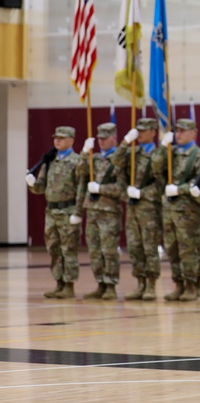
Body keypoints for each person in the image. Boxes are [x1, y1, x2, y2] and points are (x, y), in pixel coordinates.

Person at [27, 126, 85, 299]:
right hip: (51, 211)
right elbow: (40, 188)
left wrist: (78, 211)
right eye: (56, 138)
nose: (57, 141)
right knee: (54, 249)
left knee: (69, 249)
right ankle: (59, 283)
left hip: (68, 211)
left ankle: (69, 285)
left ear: (71, 140)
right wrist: (31, 182)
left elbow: (82, 189)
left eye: (61, 138)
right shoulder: (49, 161)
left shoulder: (77, 161)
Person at [112, 117, 164, 301]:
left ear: (153, 132)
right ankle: (140, 284)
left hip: (149, 207)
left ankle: (151, 285)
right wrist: (125, 142)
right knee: (134, 247)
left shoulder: (159, 155)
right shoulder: (132, 153)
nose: (140, 134)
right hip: (133, 208)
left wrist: (142, 194)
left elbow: (161, 184)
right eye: (138, 131)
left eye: (144, 130)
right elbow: (115, 162)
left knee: (149, 247)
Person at [160, 118, 200, 301]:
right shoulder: (170, 153)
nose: (178, 134)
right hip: (170, 210)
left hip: (189, 211)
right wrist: (163, 147)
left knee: (189, 249)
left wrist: (180, 189)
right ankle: (178, 284)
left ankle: (193, 285)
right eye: (176, 131)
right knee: (172, 249)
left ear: (193, 133)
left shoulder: (199, 155)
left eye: (182, 131)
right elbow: (155, 169)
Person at [79, 123, 124, 300]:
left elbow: (122, 188)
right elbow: (80, 173)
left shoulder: (118, 160)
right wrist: (84, 153)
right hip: (92, 211)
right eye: (99, 138)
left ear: (114, 138)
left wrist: (101, 188)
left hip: (109, 212)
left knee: (109, 250)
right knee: (94, 251)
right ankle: (100, 283)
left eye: (105, 138)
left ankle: (111, 285)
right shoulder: (94, 158)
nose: (102, 142)